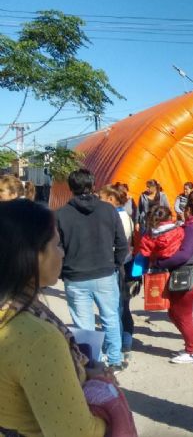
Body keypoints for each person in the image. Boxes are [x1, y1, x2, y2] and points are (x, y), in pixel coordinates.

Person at [0, 199, 131, 437]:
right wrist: (112, 415)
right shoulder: (38, 338)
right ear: (33, 255)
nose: (62, 253)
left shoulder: (11, 310)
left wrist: (83, 375)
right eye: (57, 244)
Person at [57, 169, 128, 371]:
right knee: (110, 317)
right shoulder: (108, 210)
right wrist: (115, 264)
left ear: (70, 188)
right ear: (93, 185)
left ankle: (92, 362)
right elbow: (122, 243)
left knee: (83, 325)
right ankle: (115, 360)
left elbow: (57, 248)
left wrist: (63, 272)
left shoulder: (61, 214)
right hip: (105, 273)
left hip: (75, 276)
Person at [152, 193, 193, 364]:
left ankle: (192, 351)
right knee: (174, 313)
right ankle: (191, 345)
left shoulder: (192, 228)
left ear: (188, 210)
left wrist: (161, 262)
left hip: (189, 278)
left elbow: (184, 255)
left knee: (183, 315)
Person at [139, 205, 193, 292]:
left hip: (160, 258)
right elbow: (183, 238)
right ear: (169, 217)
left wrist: (152, 258)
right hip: (175, 255)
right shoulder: (177, 230)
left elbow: (145, 249)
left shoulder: (149, 235)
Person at [98, 185, 136, 366]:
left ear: (111, 200)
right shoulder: (123, 215)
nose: (99, 201)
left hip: (119, 265)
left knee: (116, 308)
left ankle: (117, 345)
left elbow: (118, 244)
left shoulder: (118, 217)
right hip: (124, 263)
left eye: (102, 198)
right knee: (122, 307)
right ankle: (125, 343)